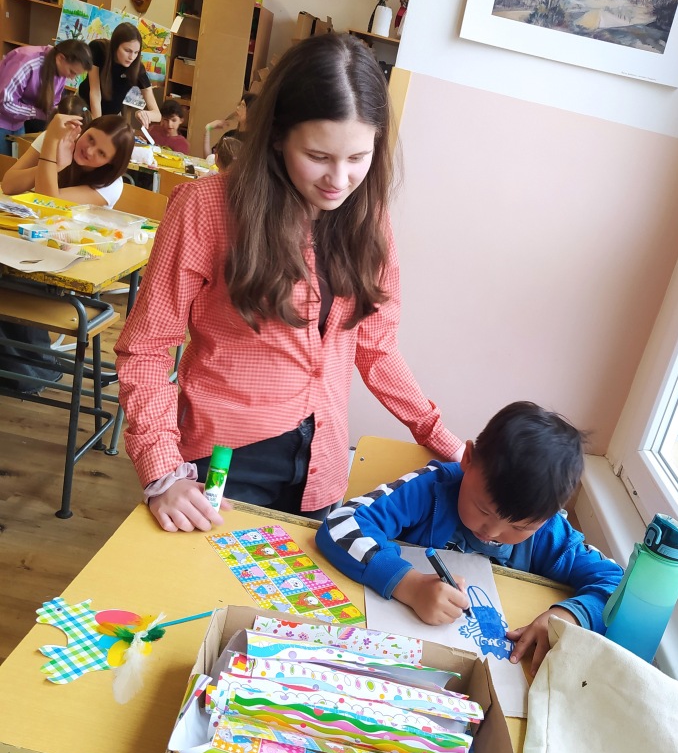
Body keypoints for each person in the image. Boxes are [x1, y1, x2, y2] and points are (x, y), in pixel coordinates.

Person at [115, 32, 461, 534]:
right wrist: (162, 470)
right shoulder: (206, 208)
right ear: (277, 135)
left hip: (323, 465)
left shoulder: (370, 221)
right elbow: (146, 348)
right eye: (318, 156)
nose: (338, 180)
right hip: (224, 462)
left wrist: (441, 437)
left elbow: (376, 346)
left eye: (357, 158)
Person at [316, 401, 623, 675]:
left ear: (549, 515)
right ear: (468, 459)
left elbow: (617, 587)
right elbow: (340, 523)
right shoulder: (431, 490)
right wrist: (407, 584)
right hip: (389, 651)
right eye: (483, 509)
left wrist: (567, 617)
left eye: (519, 528)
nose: (492, 532)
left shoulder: (549, 532)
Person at [2, 112, 134, 208]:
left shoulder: (111, 185)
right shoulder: (57, 139)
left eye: (101, 153)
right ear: (85, 129)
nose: (89, 151)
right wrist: (55, 163)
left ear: (111, 162)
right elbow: (8, 186)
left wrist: (51, 159)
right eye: (90, 138)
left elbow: (48, 203)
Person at [0, 40, 92, 155]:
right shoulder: (27, 61)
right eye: (72, 72)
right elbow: (5, 103)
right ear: (60, 58)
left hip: (17, 121)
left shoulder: (60, 70)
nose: (72, 78)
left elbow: (54, 101)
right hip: (3, 118)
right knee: (5, 162)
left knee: (15, 158)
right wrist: (39, 113)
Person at [78, 22, 161, 128]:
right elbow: (95, 92)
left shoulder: (138, 68)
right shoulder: (99, 49)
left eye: (136, 52)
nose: (132, 57)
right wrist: (97, 125)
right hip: (83, 107)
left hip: (111, 116)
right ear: (115, 46)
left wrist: (144, 114)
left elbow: (158, 115)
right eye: (127, 51)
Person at [202, 90, 255, 158]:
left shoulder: (253, 141)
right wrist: (208, 129)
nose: (237, 108)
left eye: (243, 106)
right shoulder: (229, 135)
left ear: (252, 112)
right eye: (239, 104)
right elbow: (209, 159)